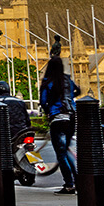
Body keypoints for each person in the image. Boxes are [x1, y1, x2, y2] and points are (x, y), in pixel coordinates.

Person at [39, 56, 81, 195]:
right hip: (71, 117)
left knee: (61, 154)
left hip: (57, 119)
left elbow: (43, 101)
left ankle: (70, 184)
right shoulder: (67, 79)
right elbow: (78, 91)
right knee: (65, 151)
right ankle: (77, 180)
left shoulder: (48, 81)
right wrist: (69, 96)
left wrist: (48, 110)